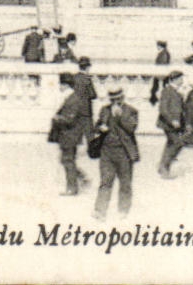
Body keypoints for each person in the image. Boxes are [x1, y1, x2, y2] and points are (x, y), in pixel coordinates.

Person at [93, 87, 140, 220]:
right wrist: (100, 128)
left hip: (124, 152)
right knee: (105, 181)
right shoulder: (104, 110)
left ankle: (123, 210)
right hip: (107, 152)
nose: (115, 102)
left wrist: (120, 117)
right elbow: (96, 125)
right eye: (113, 100)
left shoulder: (131, 111)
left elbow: (132, 128)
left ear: (123, 98)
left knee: (125, 183)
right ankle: (100, 211)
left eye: (118, 99)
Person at [52, 72, 96, 195]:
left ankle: (72, 188)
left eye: (61, 84)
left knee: (67, 160)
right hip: (69, 135)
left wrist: (57, 118)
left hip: (70, 135)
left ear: (65, 85)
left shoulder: (73, 99)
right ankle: (81, 178)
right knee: (66, 160)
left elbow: (70, 119)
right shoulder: (72, 98)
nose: (59, 87)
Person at [155, 71, 187, 178]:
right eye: (181, 79)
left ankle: (162, 167)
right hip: (168, 124)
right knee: (178, 143)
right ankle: (165, 167)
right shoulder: (167, 91)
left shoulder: (175, 91)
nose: (182, 81)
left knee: (170, 144)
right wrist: (172, 121)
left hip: (174, 124)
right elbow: (163, 109)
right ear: (174, 79)